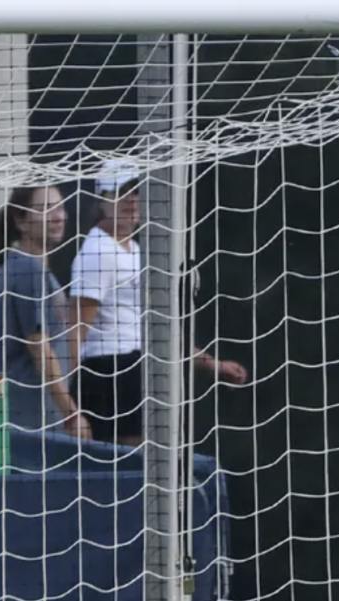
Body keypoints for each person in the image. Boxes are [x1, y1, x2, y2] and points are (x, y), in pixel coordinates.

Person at [69, 167, 246, 444]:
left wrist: (213, 365)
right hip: (108, 375)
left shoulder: (136, 251)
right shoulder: (96, 252)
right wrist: (71, 408)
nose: (131, 200)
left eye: (137, 192)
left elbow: (155, 330)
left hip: (137, 369)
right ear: (102, 200)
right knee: (132, 463)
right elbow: (75, 332)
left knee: (154, 458)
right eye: (121, 192)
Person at [0, 184, 89, 444]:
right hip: (32, 423)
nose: (58, 216)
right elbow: (38, 344)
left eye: (60, 207)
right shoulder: (27, 268)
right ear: (21, 221)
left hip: (39, 421)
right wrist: (71, 414)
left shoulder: (28, 267)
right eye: (46, 208)